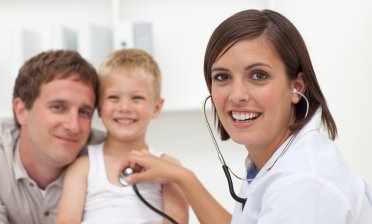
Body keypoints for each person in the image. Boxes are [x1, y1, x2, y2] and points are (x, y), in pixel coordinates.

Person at [119, 9, 372, 224]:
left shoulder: (303, 184)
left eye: (258, 75)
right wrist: (182, 177)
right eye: (222, 77)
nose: (237, 95)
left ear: (297, 86)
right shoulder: (276, 161)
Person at [56, 48, 188, 224]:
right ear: (99, 108)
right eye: (113, 97)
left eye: (137, 98)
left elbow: (178, 221)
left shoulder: (169, 167)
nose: (125, 107)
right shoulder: (83, 168)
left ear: (156, 107)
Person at [0, 49, 105, 224]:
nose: (73, 126)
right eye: (58, 107)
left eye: (84, 112)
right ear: (21, 111)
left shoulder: (107, 157)